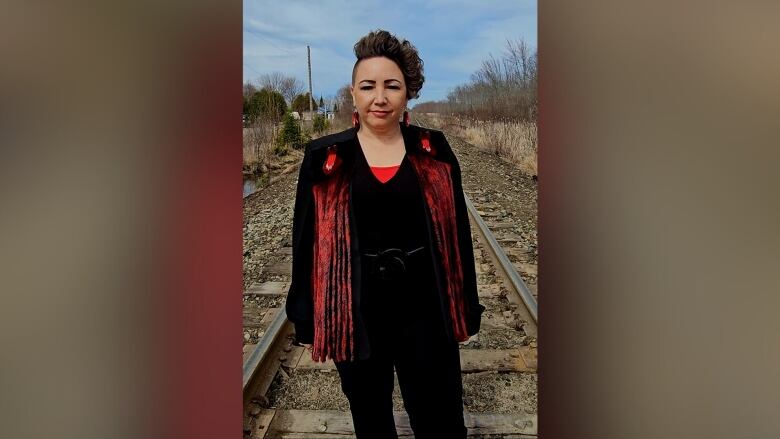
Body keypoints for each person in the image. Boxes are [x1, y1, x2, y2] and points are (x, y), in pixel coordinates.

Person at [285, 29, 485, 439]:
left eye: (391, 85)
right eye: (368, 86)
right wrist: (303, 318)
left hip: (426, 307)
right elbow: (305, 242)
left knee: (441, 419)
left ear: (407, 93)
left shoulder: (435, 148)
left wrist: (466, 304)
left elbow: (458, 234)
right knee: (371, 419)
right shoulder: (325, 158)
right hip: (355, 310)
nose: (380, 97)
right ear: (354, 94)